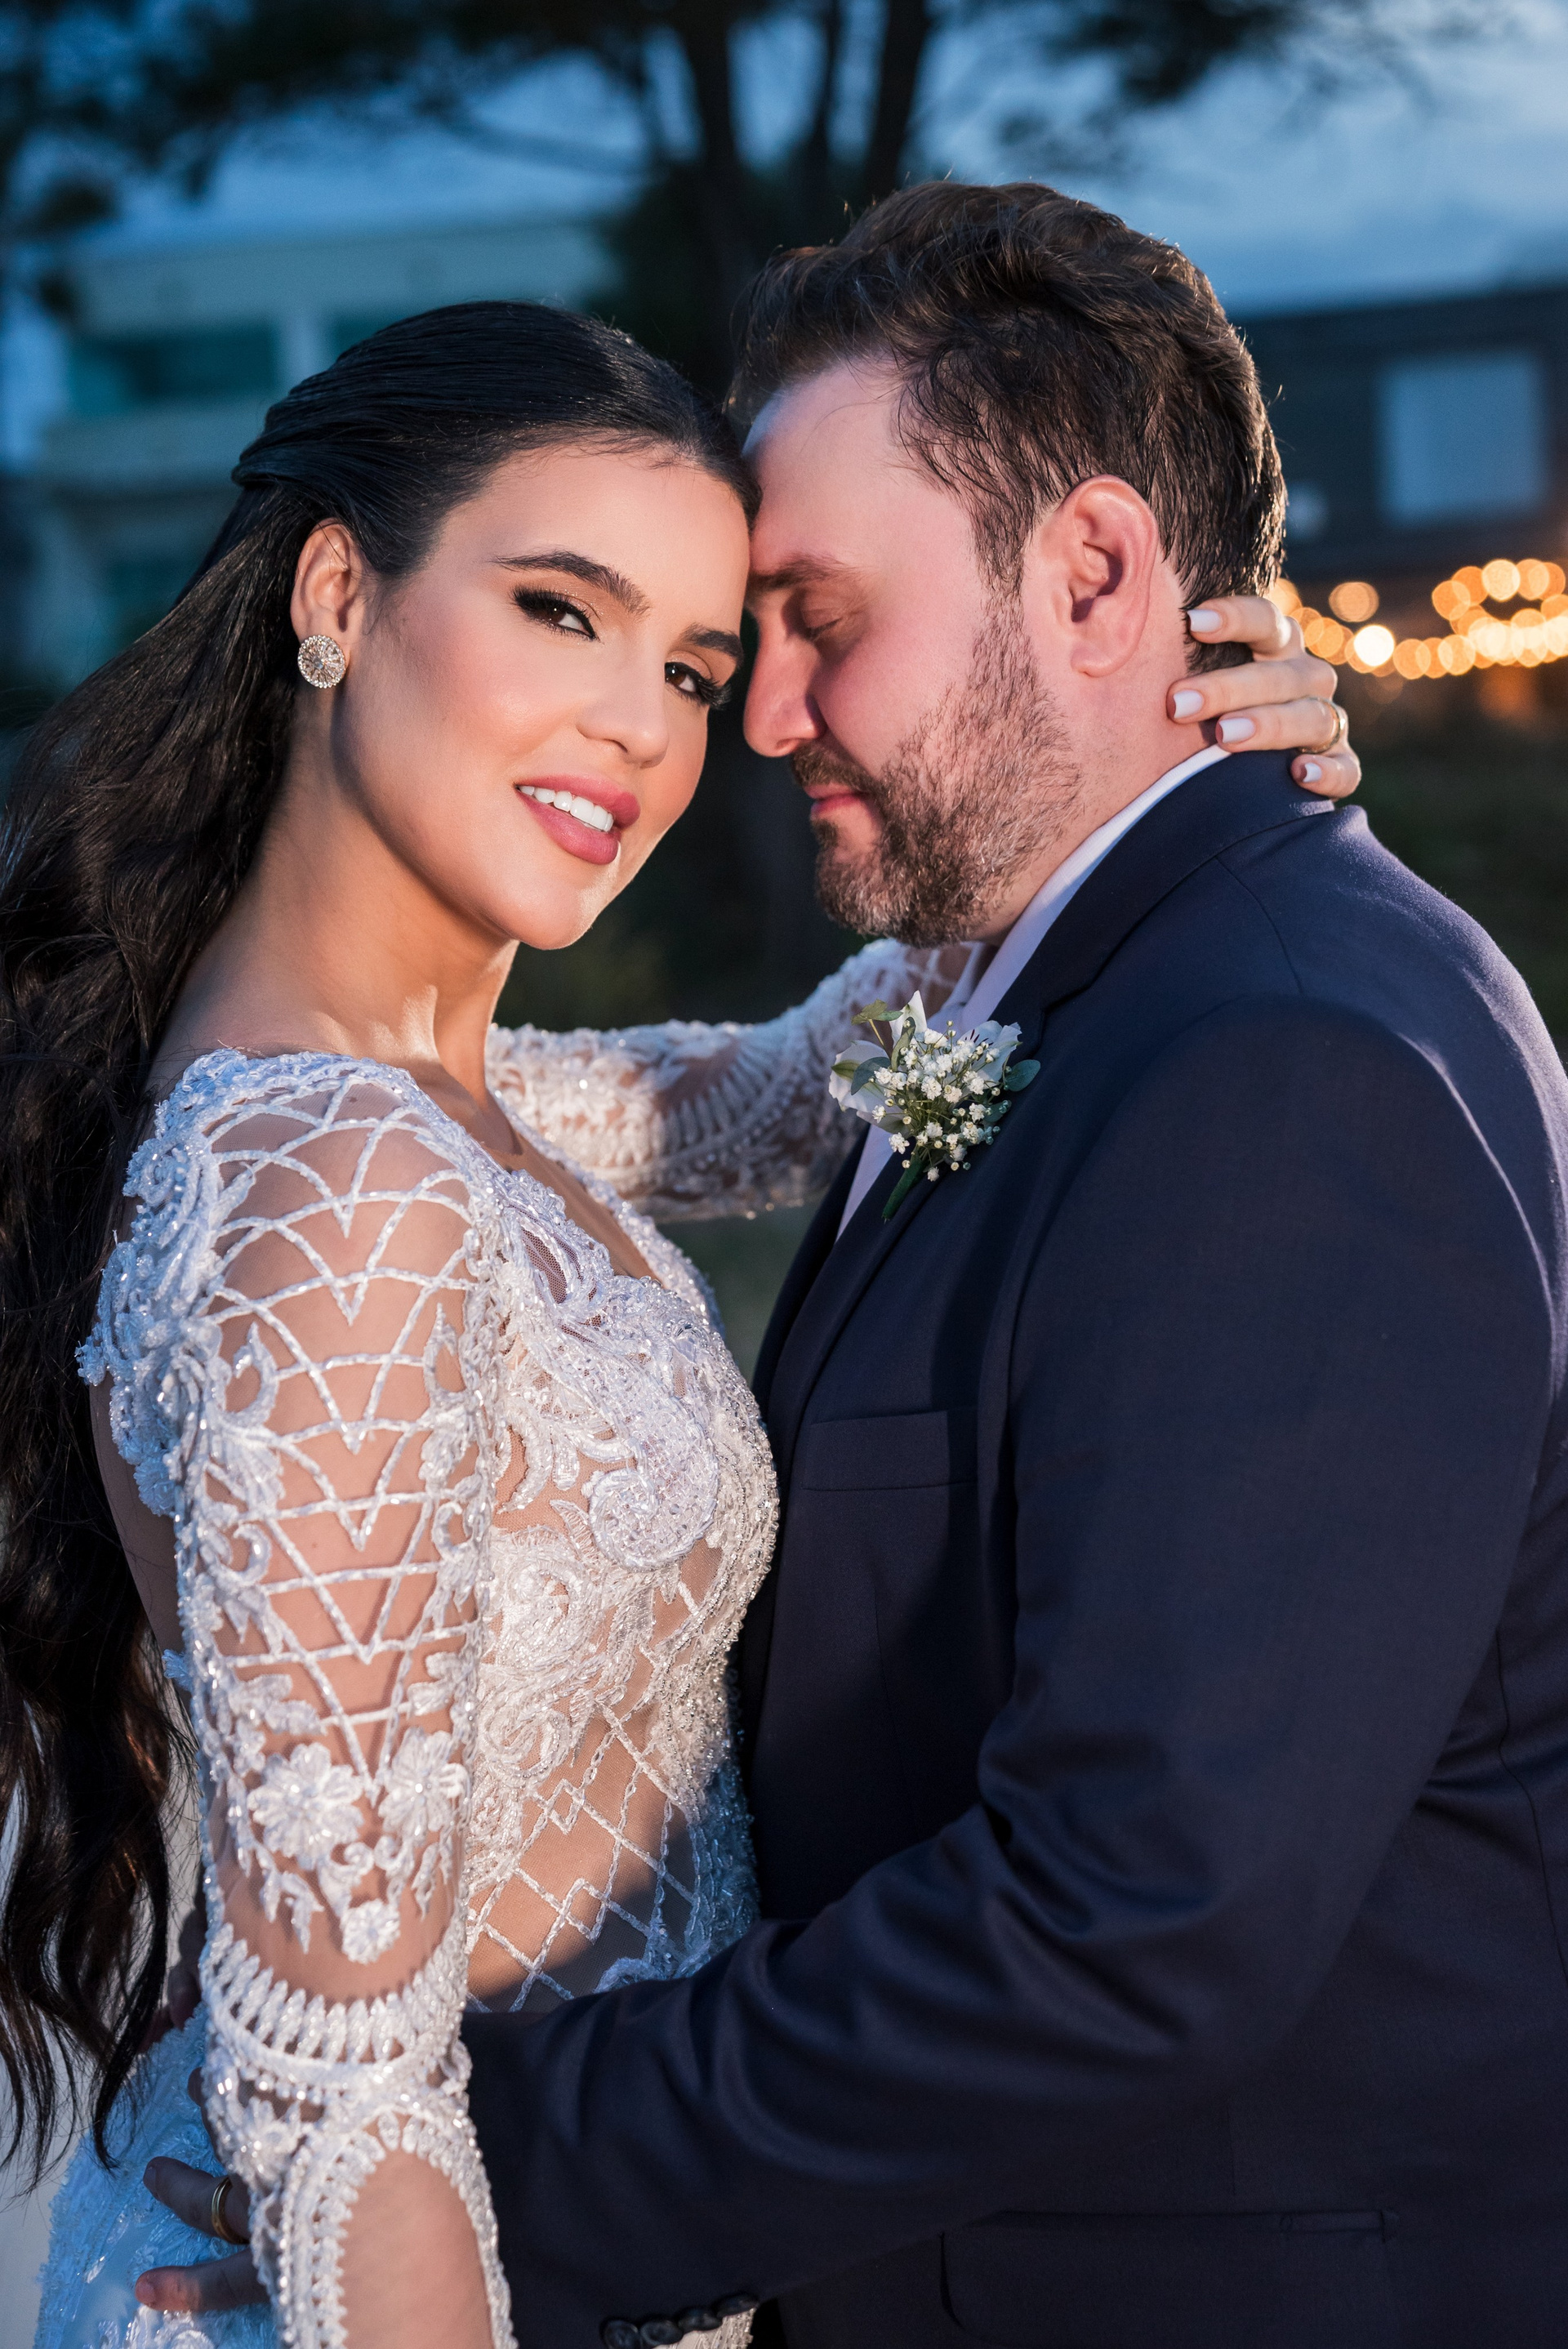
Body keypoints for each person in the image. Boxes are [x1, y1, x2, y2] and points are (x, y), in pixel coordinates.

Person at [0, 292, 1347, 2349]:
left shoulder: (466, 1113)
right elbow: (345, 2099)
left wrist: (1183, 770)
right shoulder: (335, 1182)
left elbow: (835, 1068)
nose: (643, 727)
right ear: (339, 595)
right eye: (563, 609)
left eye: (697, 668)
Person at [394, 187, 1568, 2347]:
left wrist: (465, 2179)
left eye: (821, 618)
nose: (761, 718)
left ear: (1096, 575)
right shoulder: (1026, 997)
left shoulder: (1280, 1058)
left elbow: (1133, 1910)